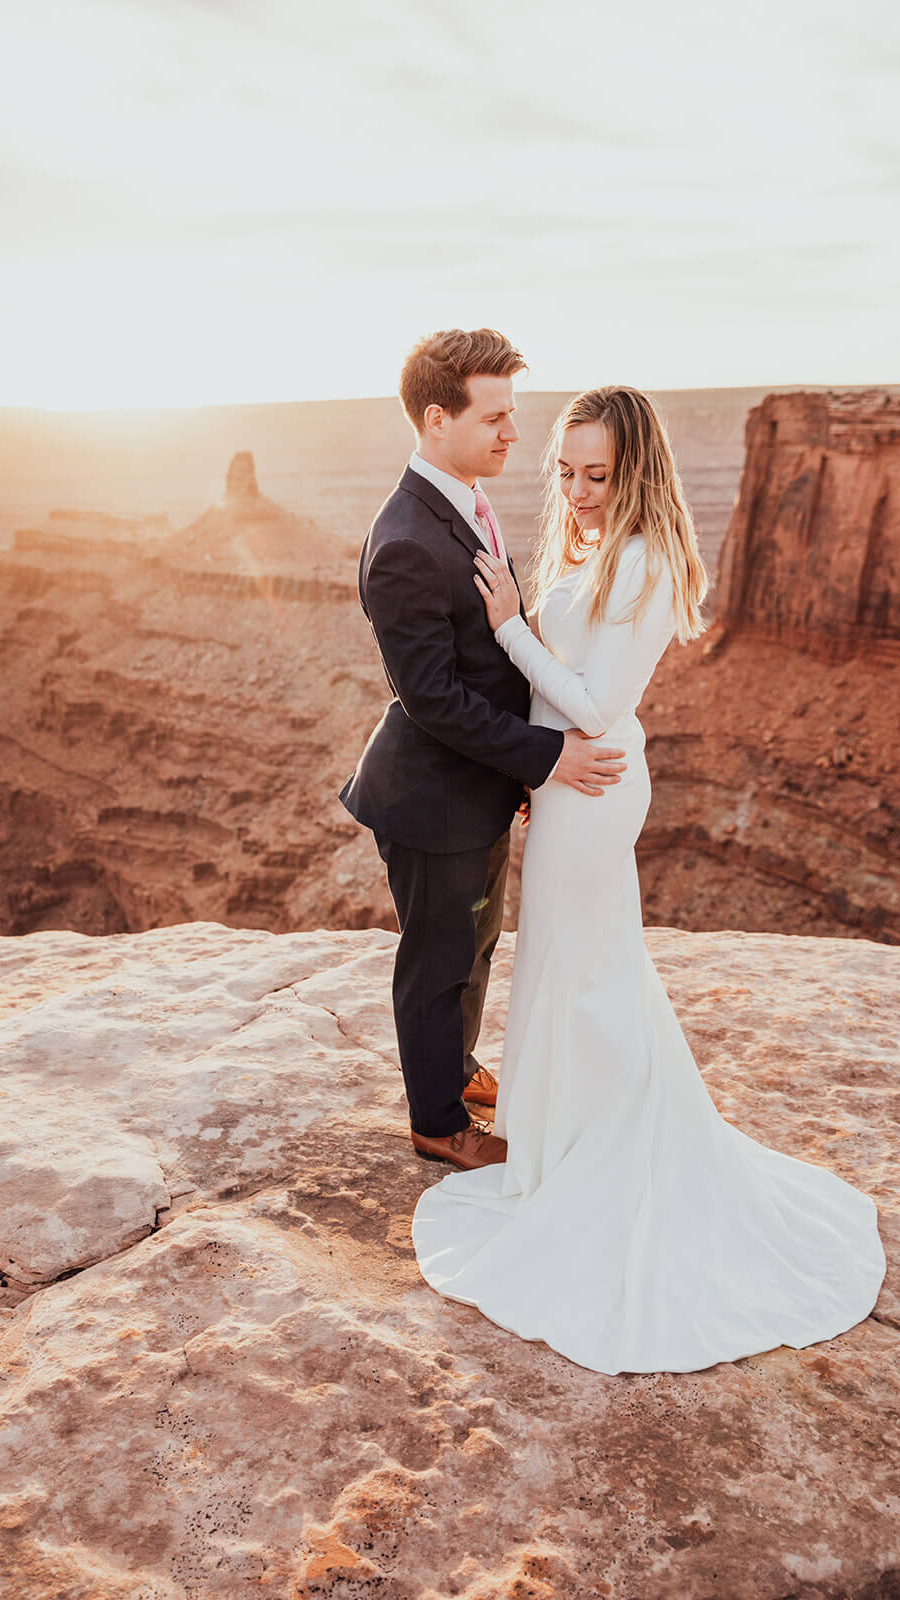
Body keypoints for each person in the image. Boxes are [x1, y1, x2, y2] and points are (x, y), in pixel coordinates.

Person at [411, 386, 887, 1374]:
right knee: (563, 970)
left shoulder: (647, 561)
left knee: (586, 975)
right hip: (569, 786)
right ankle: (563, 1149)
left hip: (596, 788)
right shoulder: (594, 549)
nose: (580, 494)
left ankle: (607, 1157)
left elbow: (593, 700)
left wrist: (506, 625)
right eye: (569, 474)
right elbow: (560, 701)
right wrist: (531, 768)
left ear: (636, 473)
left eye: (599, 476)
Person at [339, 330, 629, 1171]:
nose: (512, 434)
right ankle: (436, 1122)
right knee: (436, 961)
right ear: (437, 419)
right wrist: (545, 757)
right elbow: (432, 700)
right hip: (430, 799)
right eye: (494, 416)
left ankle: (456, 1070)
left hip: (476, 789)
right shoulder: (404, 541)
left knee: (474, 946)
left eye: (512, 415)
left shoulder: (461, 497)